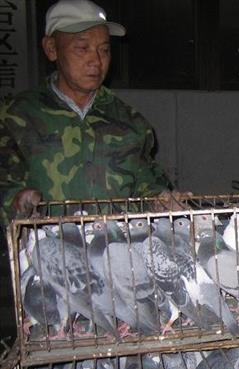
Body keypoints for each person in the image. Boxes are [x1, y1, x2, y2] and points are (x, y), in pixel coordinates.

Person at [0, 0, 180, 225]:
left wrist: (160, 200)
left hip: (117, 245)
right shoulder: (16, 116)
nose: (96, 61)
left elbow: (146, 179)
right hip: (46, 245)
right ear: (51, 48)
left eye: (104, 50)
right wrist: (16, 202)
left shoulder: (130, 122)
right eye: (82, 48)